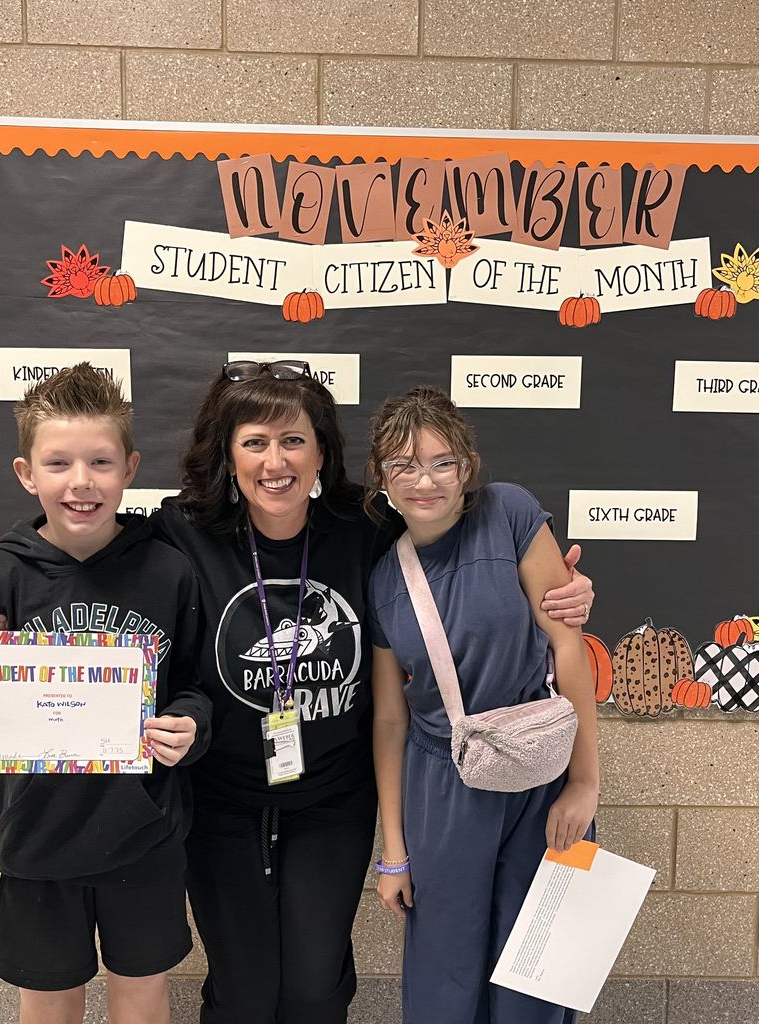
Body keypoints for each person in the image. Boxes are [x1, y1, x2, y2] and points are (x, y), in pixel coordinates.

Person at [145, 359, 596, 1024]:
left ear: (323, 452)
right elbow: (98, 555)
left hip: (376, 792)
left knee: (332, 986)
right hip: (264, 795)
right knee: (260, 988)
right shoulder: (187, 534)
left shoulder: (388, 533)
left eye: (294, 440)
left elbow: (534, 615)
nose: (276, 461)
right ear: (229, 453)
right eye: (255, 442)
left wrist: (570, 594)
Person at [366, 385, 599, 1024]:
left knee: (543, 968)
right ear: (381, 478)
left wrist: (585, 784)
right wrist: (394, 850)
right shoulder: (385, 580)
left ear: (467, 468)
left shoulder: (511, 512)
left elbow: (568, 645)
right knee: (444, 968)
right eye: (404, 465)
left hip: (544, 773)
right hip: (444, 785)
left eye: (442, 462)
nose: (425, 481)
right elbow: (391, 719)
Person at [0, 364, 212, 1024]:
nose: (81, 482)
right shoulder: (4, 573)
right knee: (47, 995)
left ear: (129, 467)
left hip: (140, 831)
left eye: (100, 462)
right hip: (36, 834)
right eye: (59, 463)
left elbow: (198, 686)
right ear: (27, 473)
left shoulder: (168, 571)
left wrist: (187, 724)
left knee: (140, 988)